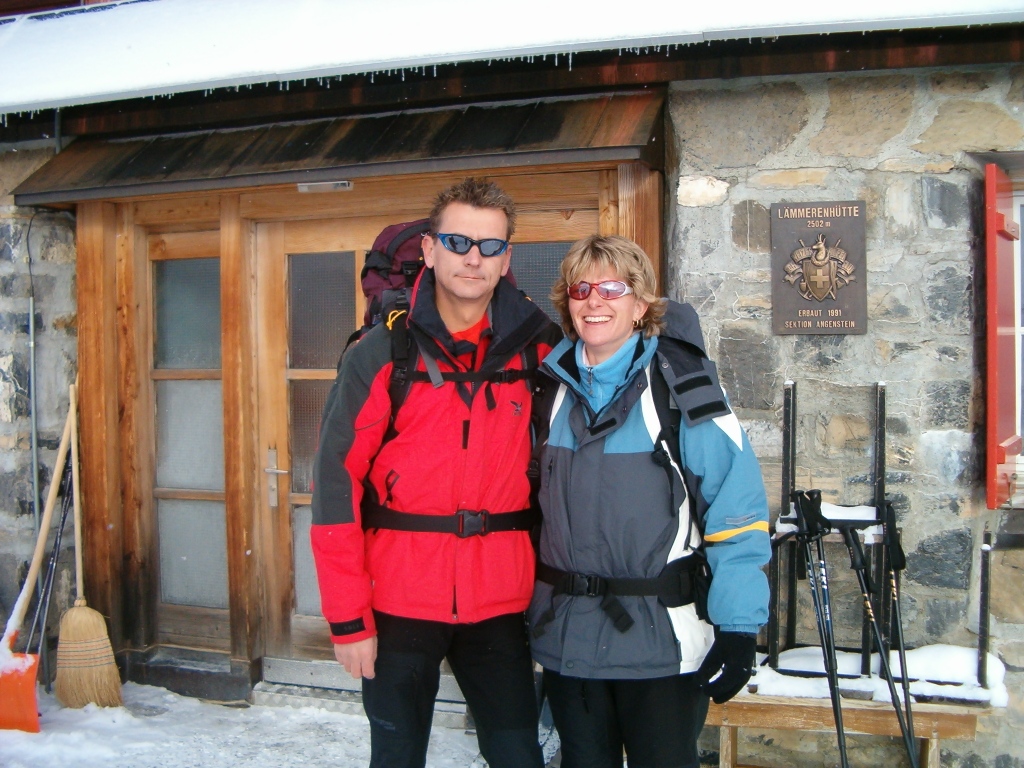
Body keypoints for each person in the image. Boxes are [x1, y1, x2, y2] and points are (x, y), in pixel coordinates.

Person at [310, 178, 559, 768]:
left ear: (506, 260)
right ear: (428, 249)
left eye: (490, 246)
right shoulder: (381, 353)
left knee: (517, 754)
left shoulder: (539, 350)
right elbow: (335, 487)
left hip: (501, 603)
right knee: (396, 756)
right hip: (398, 602)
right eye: (457, 241)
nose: (474, 258)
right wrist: (348, 620)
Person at [528, 235, 771, 768]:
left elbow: (737, 512)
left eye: (612, 288)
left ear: (640, 305)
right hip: (570, 641)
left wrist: (738, 627)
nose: (595, 300)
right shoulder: (546, 391)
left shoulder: (683, 389)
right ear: (567, 304)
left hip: (663, 645)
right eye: (581, 288)